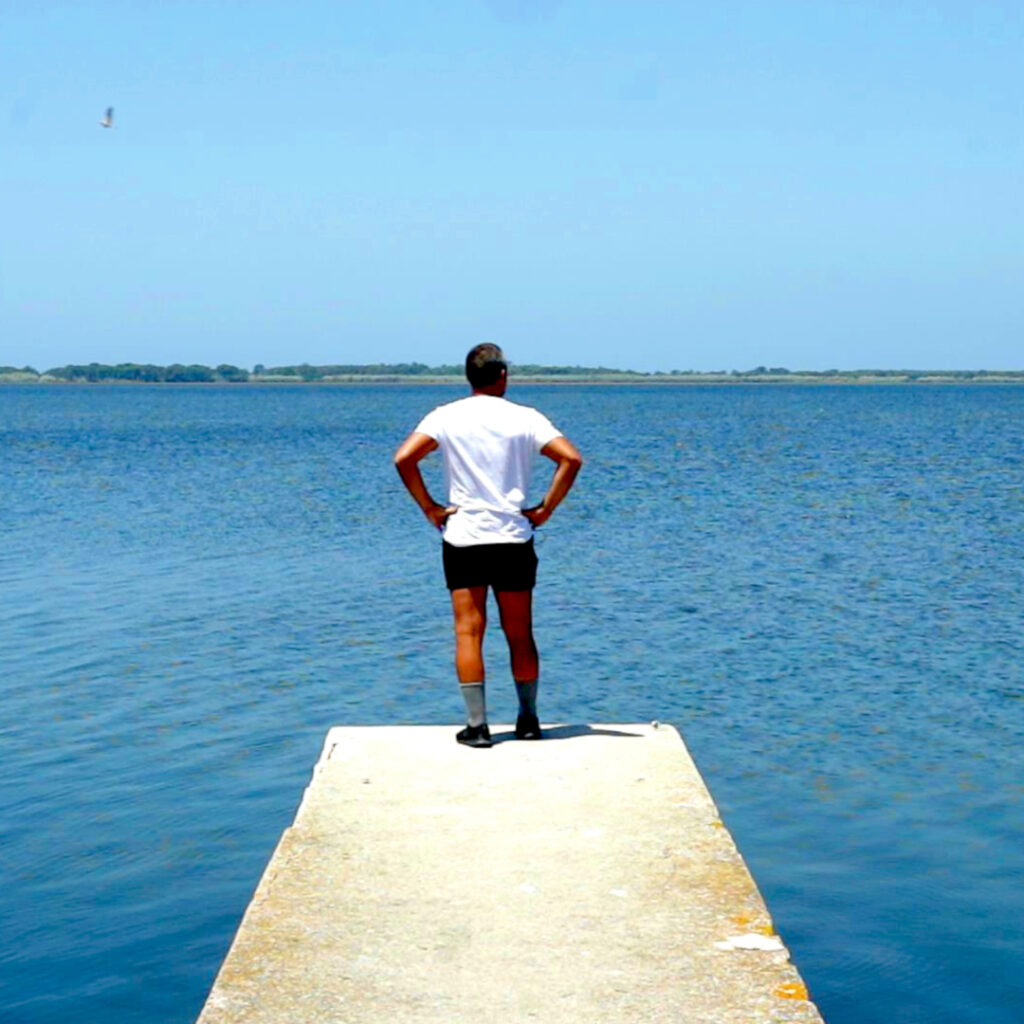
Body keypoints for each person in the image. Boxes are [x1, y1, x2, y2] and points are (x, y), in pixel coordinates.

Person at [394, 344, 583, 748]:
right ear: (502, 376)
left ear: (469, 377)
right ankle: (528, 721)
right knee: (519, 633)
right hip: (513, 539)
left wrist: (430, 507)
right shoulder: (526, 418)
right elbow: (571, 459)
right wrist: (546, 508)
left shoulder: (445, 416)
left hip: (464, 538)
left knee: (468, 632)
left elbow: (404, 459)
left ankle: (477, 727)